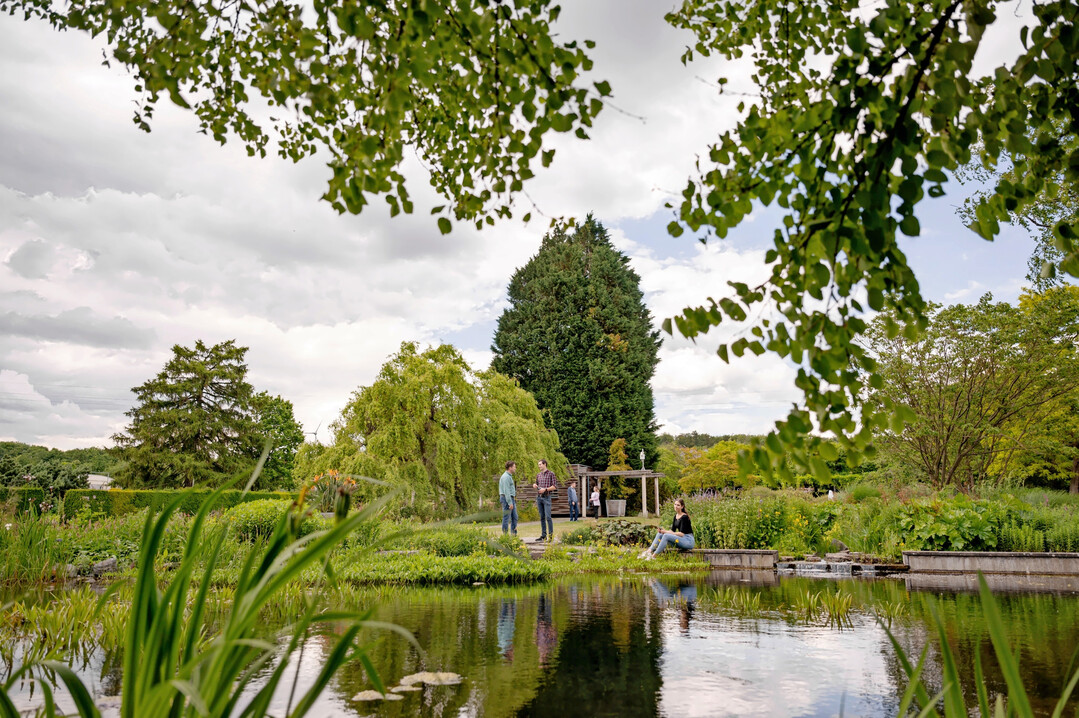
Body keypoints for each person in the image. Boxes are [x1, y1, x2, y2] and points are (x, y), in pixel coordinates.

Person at [533, 459, 557, 542]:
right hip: (539, 498)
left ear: (544, 464)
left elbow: (554, 486)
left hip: (547, 497)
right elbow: (537, 484)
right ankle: (543, 536)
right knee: (542, 517)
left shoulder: (551, 474)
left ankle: (550, 536)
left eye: (540, 464)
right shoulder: (538, 475)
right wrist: (535, 485)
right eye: (538, 464)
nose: (539, 466)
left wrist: (545, 489)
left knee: (548, 517)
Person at [499, 460, 518, 535]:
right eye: (514, 467)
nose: (515, 468)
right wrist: (510, 502)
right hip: (507, 499)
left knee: (515, 517)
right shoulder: (506, 477)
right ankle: (505, 536)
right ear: (510, 468)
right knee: (506, 518)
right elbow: (506, 491)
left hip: (510, 498)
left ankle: (513, 535)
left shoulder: (509, 476)